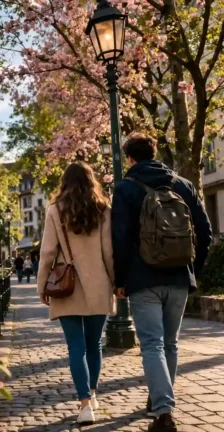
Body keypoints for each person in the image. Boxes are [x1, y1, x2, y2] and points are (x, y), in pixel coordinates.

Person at [112, 134, 212, 431]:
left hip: (143, 278)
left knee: (152, 344)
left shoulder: (125, 188)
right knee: (170, 343)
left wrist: (120, 279)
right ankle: (160, 398)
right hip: (180, 276)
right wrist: (192, 269)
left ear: (130, 158)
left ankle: (164, 412)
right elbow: (204, 232)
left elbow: (119, 238)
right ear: (154, 153)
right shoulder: (183, 185)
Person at [37, 162, 115, 425]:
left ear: (65, 182)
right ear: (92, 181)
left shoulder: (56, 210)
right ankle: (92, 394)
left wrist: (42, 285)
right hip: (98, 283)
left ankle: (84, 405)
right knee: (94, 345)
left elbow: (47, 252)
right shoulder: (103, 209)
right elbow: (109, 252)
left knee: (76, 347)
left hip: (66, 286)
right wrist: (115, 282)